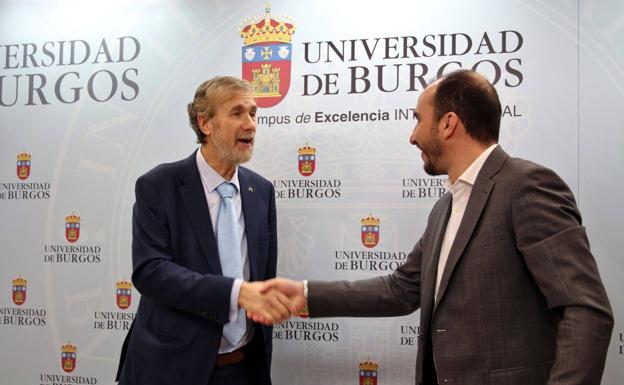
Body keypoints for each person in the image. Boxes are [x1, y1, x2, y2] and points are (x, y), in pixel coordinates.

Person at [255, 70, 614, 385]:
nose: (412, 136)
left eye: (417, 119)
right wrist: (304, 293)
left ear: (448, 123)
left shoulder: (526, 185)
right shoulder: (445, 205)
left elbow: (585, 309)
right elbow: (401, 289)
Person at [116, 76, 300, 385]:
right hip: (171, 368)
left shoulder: (262, 191)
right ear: (205, 123)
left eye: (254, 113)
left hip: (242, 369)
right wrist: (236, 293)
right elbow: (151, 272)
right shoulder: (159, 186)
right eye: (237, 113)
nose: (251, 124)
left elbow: (263, 278)